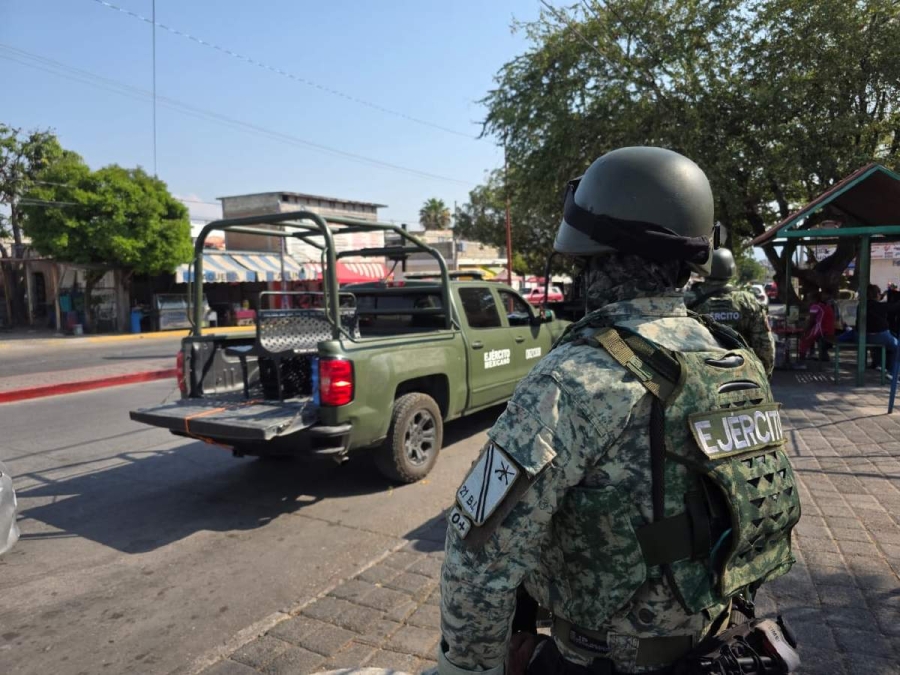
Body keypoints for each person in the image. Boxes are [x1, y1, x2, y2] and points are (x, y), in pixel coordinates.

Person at [439, 147, 801, 675]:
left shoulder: (575, 379)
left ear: (590, 257)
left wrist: (469, 669)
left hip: (602, 662)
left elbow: (477, 558)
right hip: (723, 646)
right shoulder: (734, 357)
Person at [685, 249, 775, 376]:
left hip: (703, 374)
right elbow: (764, 345)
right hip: (742, 373)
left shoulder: (688, 300)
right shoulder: (748, 302)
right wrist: (765, 374)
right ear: (731, 268)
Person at [840, 284, 900, 369]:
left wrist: (883, 295)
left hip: (860, 336)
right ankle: (892, 371)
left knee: (879, 345)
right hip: (879, 337)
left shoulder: (861, 306)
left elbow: (875, 303)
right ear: (877, 295)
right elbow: (894, 307)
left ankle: (877, 364)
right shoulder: (880, 306)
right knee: (897, 347)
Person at [798, 290, 835, 361]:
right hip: (829, 329)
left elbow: (811, 321)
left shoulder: (815, 306)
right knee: (810, 334)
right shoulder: (823, 306)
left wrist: (804, 330)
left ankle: (801, 358)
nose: (807, 300)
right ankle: (813, 354)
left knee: (805, 338)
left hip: (823, 329)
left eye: (808, 299)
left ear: (814, 299)